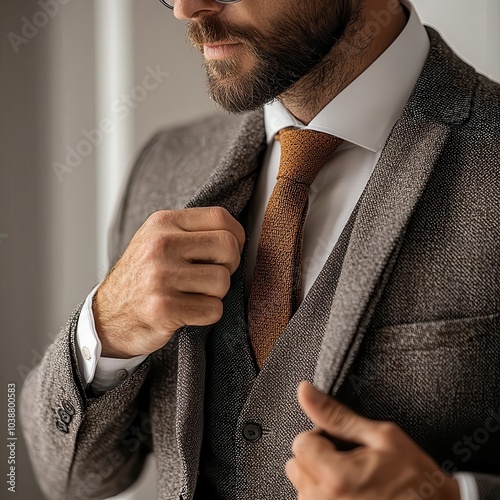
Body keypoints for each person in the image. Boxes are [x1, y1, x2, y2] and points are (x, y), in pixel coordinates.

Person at [20, 0, 500, 499]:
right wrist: (105, 328)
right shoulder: (165, 164)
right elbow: (72, 479)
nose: (185, 9)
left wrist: (453, 494)